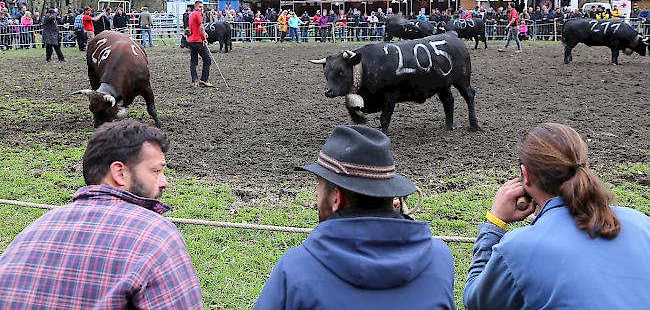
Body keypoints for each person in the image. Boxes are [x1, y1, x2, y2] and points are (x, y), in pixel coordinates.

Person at [0, 120, 203, 308]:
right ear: (120, 173)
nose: (163, 181)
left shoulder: (33, 230)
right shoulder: (158, 236)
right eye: (156, 171)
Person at [255, 125, 455, 310]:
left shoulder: (294, 270)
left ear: (336, 198)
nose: (316, 194)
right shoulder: (439, 258)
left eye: (319, 185)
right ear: (390, 197)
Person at [463, 123, 650, 310]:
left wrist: (494, 222)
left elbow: (476, 302)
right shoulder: (642, 224)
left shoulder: (518, 248)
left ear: (525, 175)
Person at [187, 0, 213, 87]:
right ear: (196, 7)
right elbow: (201, 27)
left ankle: (194, 80)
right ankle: (203, 79)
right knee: (207, 59)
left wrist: (202, 33)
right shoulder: (198, 14)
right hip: (198, 41)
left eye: (202, 7)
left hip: (191, 41)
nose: (202, 9)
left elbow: (194, 28)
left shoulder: (191, 14)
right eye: (200, 7)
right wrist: (204, 38)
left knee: (193, 61)